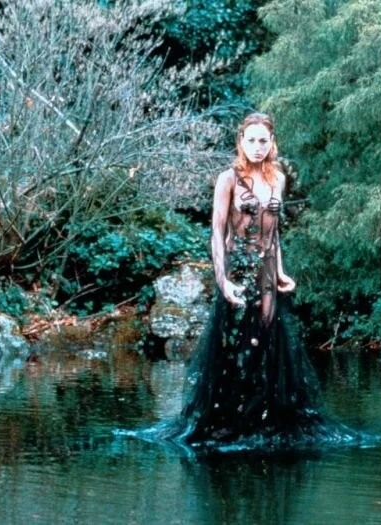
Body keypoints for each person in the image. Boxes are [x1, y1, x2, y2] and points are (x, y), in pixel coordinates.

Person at [159, 112, 337, 449]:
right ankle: (228, 419)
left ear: (272, 143)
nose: (257, 146)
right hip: (238, 267)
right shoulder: (228, 178)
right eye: (251, 140)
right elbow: (216, 232)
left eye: (263, 140)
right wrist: (222, 280)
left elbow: (274, 233)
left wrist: (280, 271)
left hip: (266, 270)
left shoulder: (278, 179)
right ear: (241, 141)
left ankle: (262, 418)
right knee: (235, 344)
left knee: (267, 343)